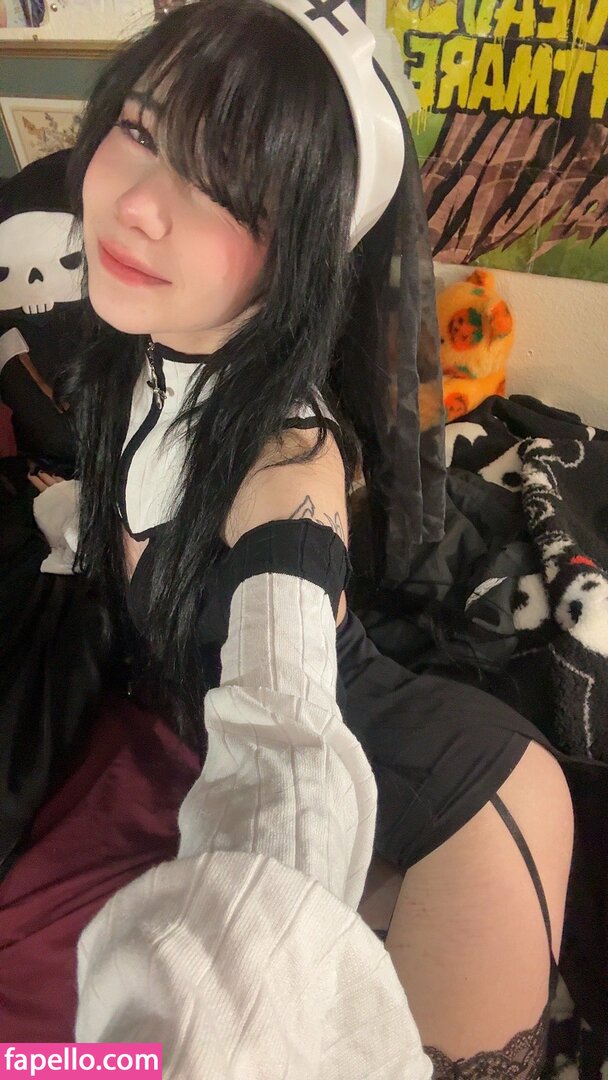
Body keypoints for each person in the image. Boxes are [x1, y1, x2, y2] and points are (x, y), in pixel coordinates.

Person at [46, 0, 572, 1075]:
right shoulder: (138, 351)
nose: (139, 205)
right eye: (141, 129)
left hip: (459, 822)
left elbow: (283, 748)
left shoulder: (285, 466)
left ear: (306, 255)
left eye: (228, 188)